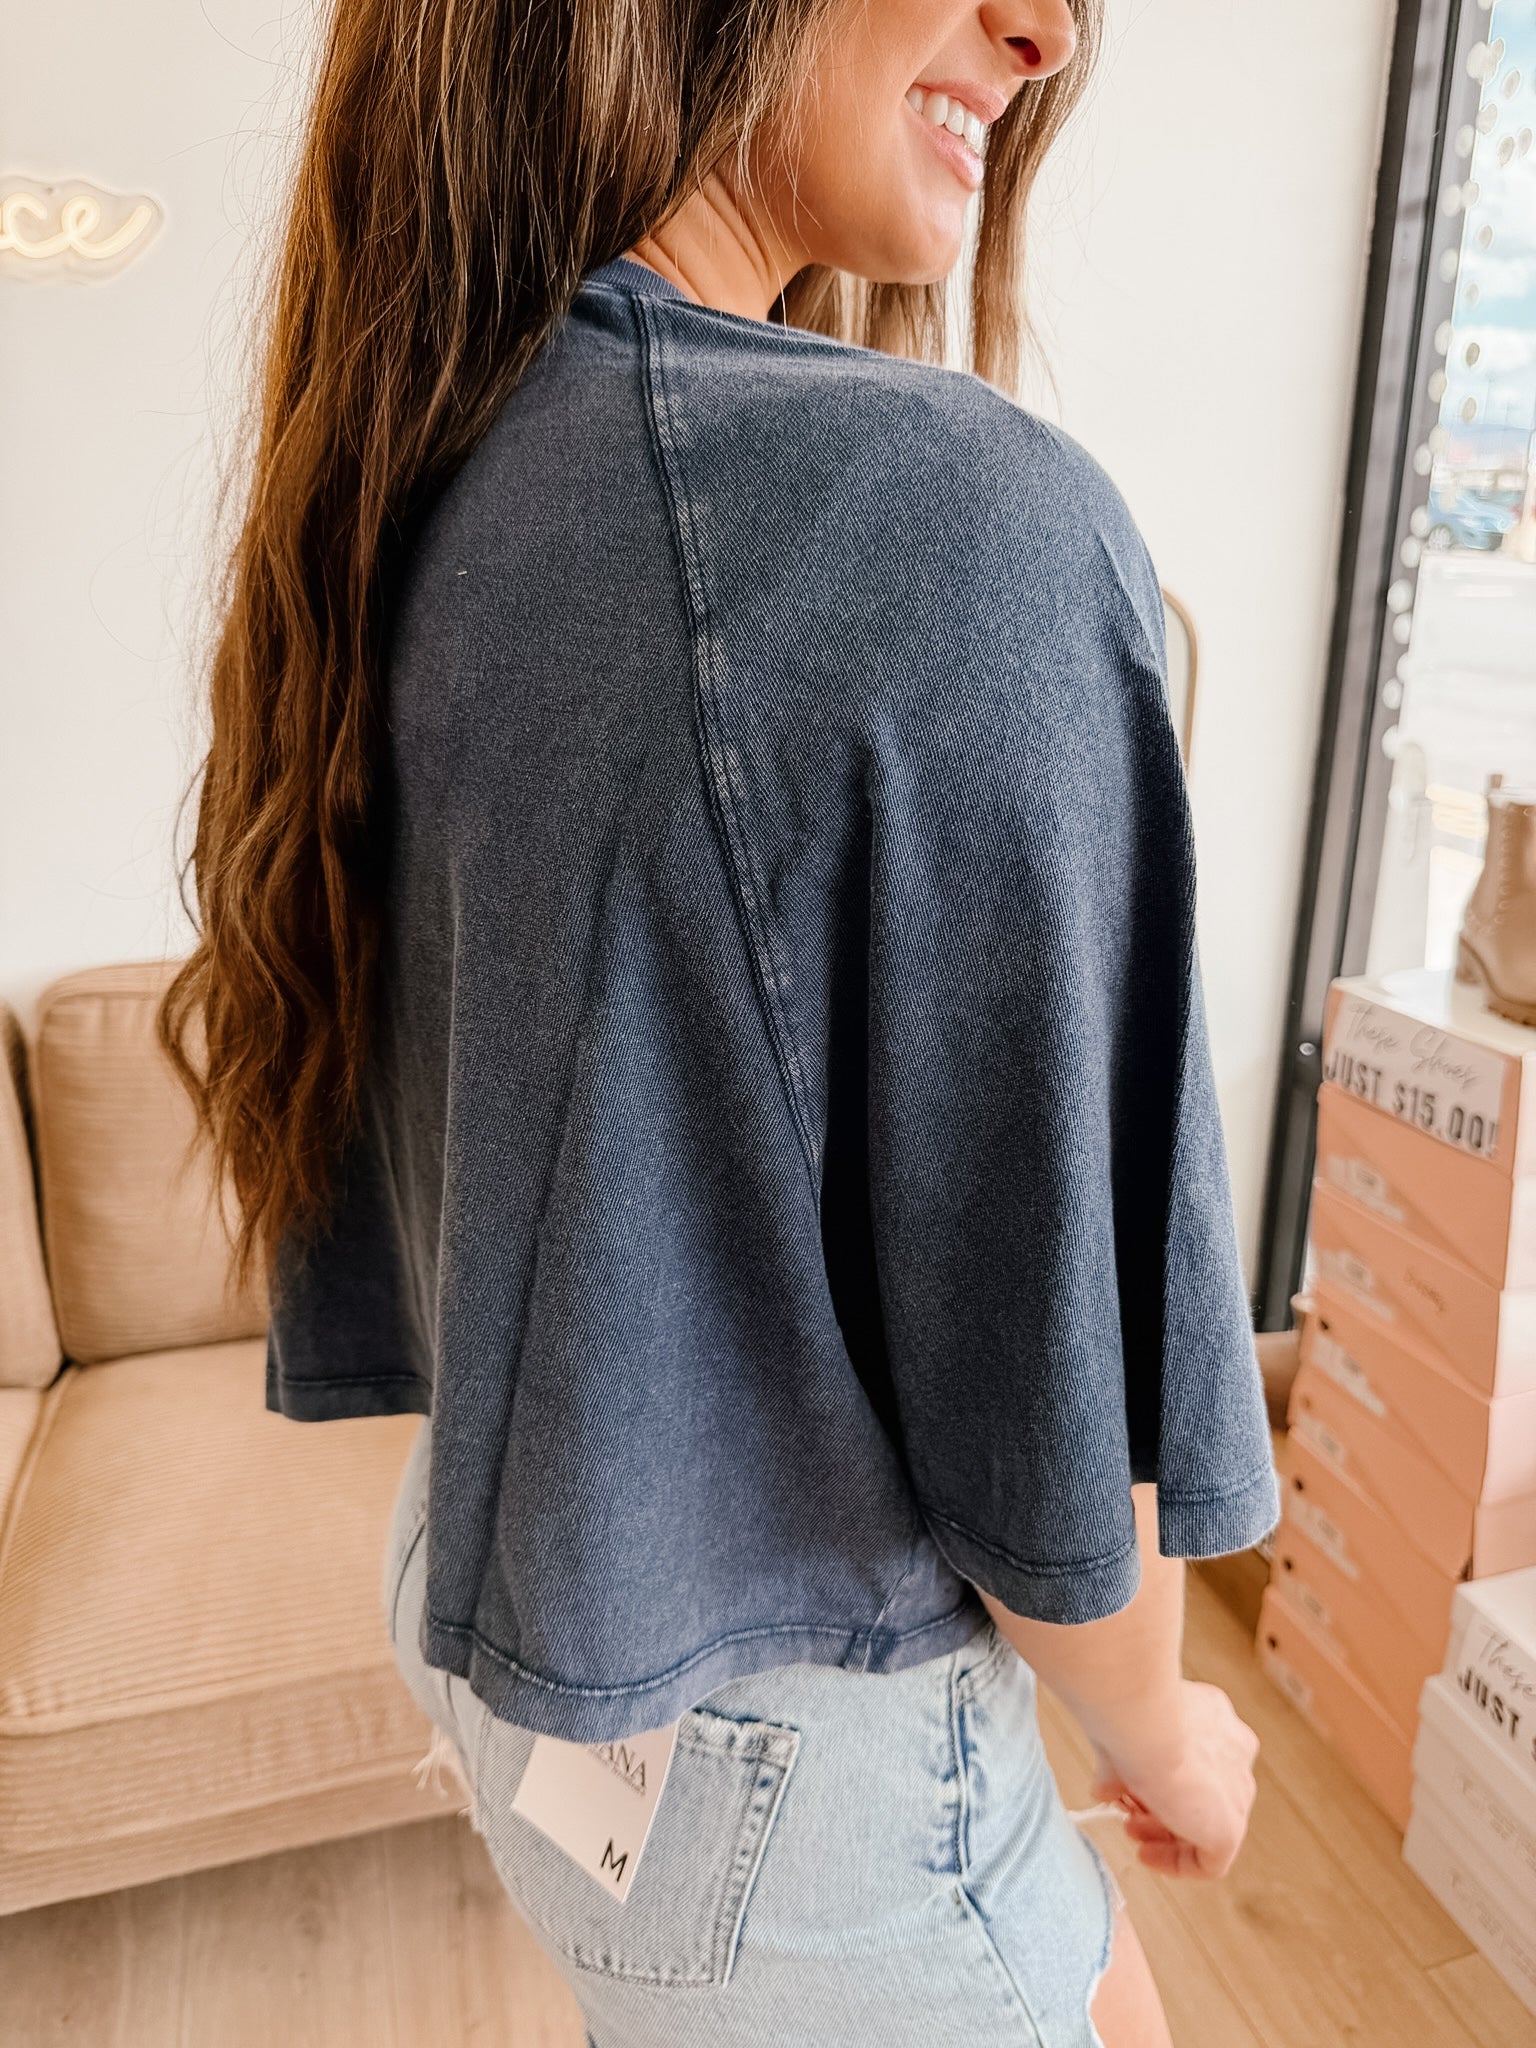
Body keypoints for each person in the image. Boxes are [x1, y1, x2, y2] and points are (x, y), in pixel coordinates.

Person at [160, 1, 1281, 2041]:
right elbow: (1058, 1395)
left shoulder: (435, 479)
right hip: (785, 1741)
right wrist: (1169, 1729)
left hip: (514, 1594)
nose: (1047, 32)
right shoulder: (950, 522)